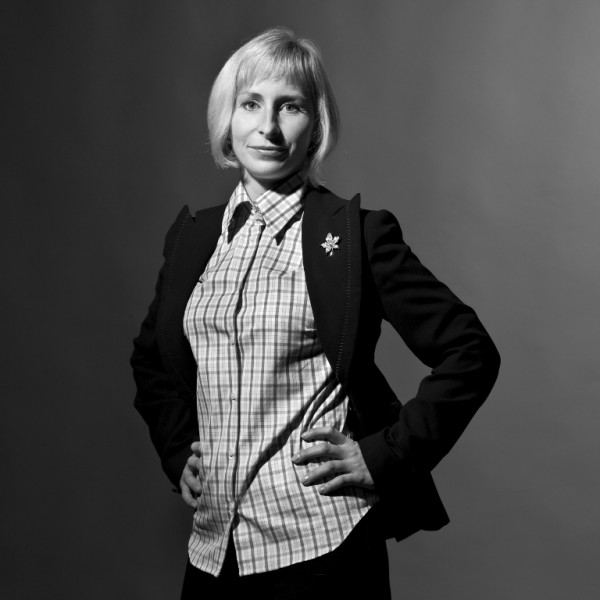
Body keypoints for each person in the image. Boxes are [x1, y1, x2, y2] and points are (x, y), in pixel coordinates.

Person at [131, 26, 500, 599]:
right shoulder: (194, 239)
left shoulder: (355, 237)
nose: (269, 126)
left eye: (291, 106)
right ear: (227, 118)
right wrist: (178, 451)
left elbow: (470, 351)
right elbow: (151, 358)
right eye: (250, 104)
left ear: (316, 124)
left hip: (322, 551)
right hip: (212, 552)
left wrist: (386, 454)